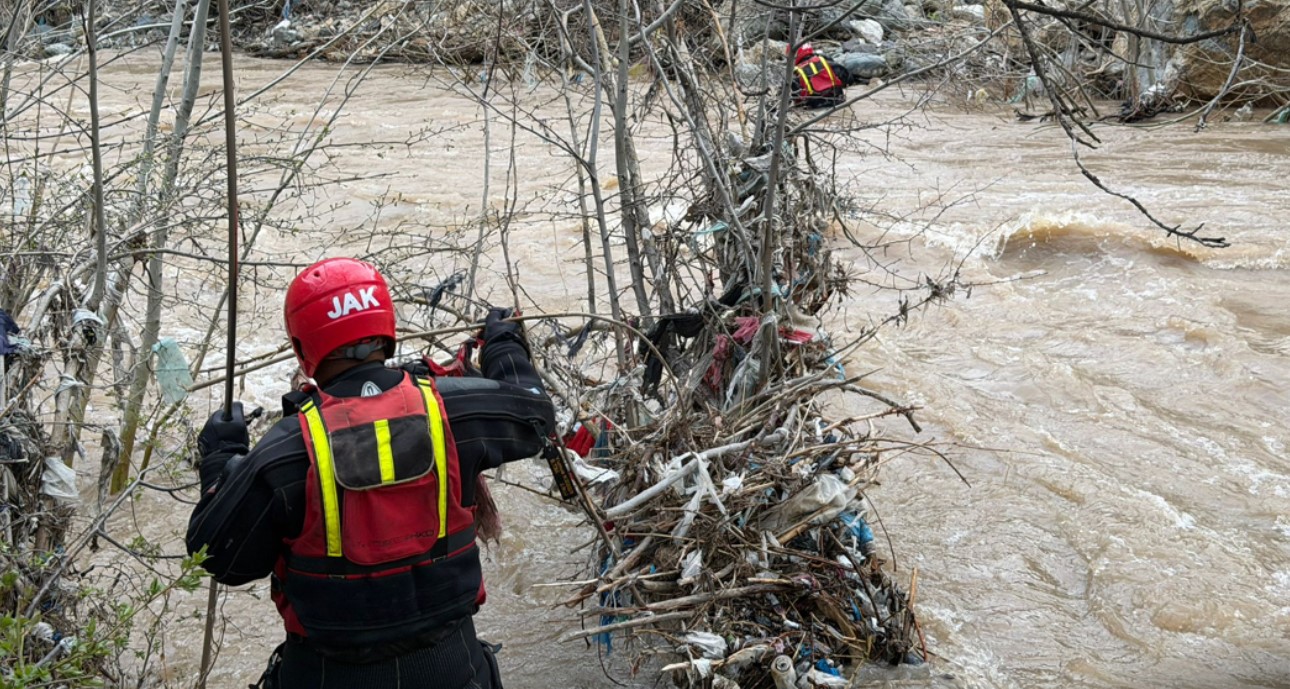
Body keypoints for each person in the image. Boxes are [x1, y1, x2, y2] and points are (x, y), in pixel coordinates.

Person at [186, 257, 556, 689]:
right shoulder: (456, 412)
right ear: (385, 329)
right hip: (453, 670)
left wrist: (222, 458)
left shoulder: (284, 453)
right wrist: (503, 344)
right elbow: (536, 416)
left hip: (324, 677)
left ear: (303, 350)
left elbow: (218, 558)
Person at [789, 43, 853, 109]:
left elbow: (792, 99)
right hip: (837, 102)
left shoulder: (794, 75)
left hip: (813, 108)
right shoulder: (827, 62)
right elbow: (849, 80)